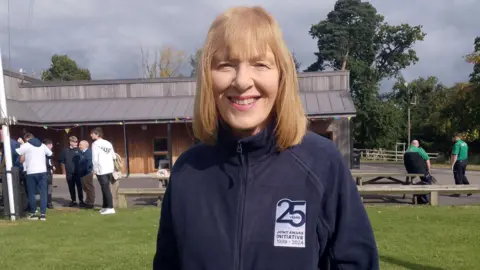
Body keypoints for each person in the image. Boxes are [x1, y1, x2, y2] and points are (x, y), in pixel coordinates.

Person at [153, 6, 378, 270]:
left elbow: (355, 263)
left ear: (282, 76)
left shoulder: (321, 163)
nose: (242, 81)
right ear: (207, 78)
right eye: (226, 65)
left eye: (260, 64)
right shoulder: (188, 170)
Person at [15, 133, 52, 221]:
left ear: (27, 139)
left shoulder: (26, 145)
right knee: (43, 193)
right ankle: (43, 214)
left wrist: (20, 144)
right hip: (42, 171)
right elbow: (50, 153)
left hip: (31, 171)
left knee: (31, 193)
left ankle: (33, 213)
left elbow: (17, 152)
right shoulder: (42, 145)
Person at [91, 127, 117, 215]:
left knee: (105, 189)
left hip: (101, 169)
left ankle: (110, 207)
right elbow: (114, 156)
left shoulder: (95, 144)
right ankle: (105, 206)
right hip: (110, 169)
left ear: (97, 134)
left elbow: (95, 158)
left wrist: (94, 169)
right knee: (105, 188)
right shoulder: (108, 143)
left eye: (92, 134)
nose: (91, 135)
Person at [59, 136, 85, 207]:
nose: (76, 143)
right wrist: (64, 171)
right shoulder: (65, 150)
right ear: (70, 142)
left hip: (78, 172)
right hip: (69, 172)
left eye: (77, 142)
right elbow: (62, 161)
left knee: (79, 187)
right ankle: (73, 200)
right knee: (71, 187)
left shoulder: (79, 150)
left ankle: (81, 200)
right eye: (74, 142)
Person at [404, 140, 433, 204]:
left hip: (410, 172)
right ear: (417, 144)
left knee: (416, 182)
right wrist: (428, 170)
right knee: (428, 181)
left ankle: (419, 197)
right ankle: (424, 199)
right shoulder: (419, 150)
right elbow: (427, 160)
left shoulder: (406, 151)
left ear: (411, 144)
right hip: (421, 171)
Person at [78, 140, 95, 208]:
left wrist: (87, 171)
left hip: (87, 173)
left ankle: (90, 203)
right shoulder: (83, 152)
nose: (79, 146)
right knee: (85, 188)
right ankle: (87, 201)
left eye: (80, 145)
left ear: (85, 145)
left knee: (89, 188)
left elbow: (89, 163)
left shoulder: (88, 152)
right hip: (83, 173)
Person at [43, 139, 55, 209]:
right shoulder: (47, 153)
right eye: (50, 145)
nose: (51, 146)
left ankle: (48, 201)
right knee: (48, 187)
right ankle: (48, 202)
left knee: (49, 187)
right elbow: (48, 162)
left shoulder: (49, 152)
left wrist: (52, 165)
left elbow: (50, 161)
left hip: (48, 171)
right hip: (47, 171)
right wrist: (51, 166)